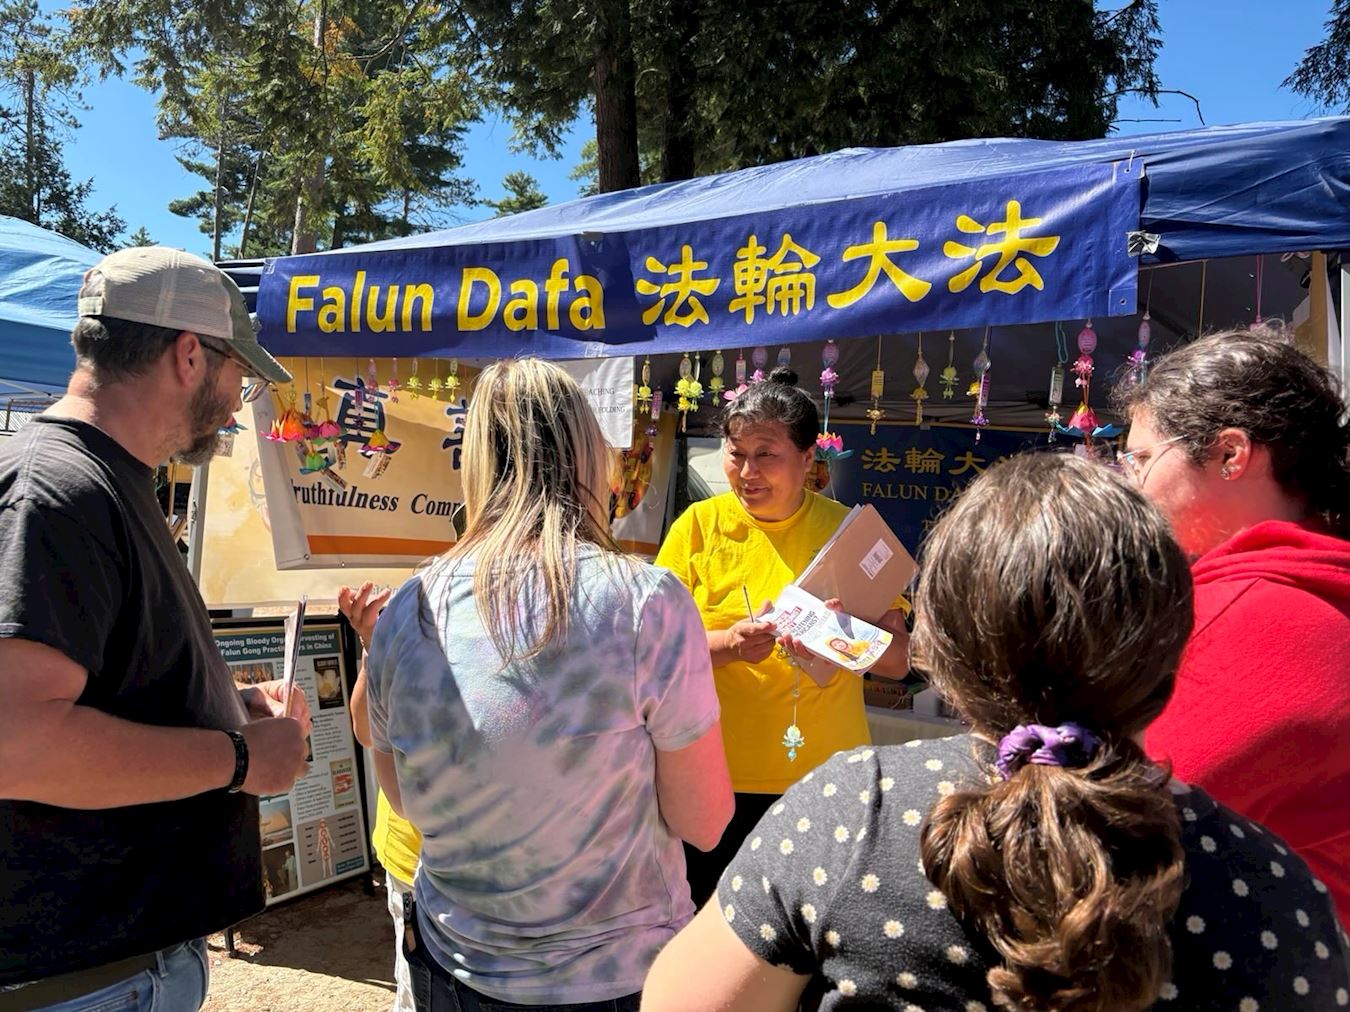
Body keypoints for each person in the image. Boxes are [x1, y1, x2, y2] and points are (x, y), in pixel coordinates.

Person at [644, 453, 1350, 1012]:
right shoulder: (1275, 889)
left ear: (947, 640)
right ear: (1171, 643)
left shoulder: (854, 811)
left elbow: (680, 1001)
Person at [359, 359, 733, 1010]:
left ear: (476, 462)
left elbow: (407, 800)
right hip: (615, 977)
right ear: (589, 454)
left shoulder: (408, 609)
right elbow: (703, 821)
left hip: (453, 967)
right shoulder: (646, 603)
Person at [0, 247, 310, 1011]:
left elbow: (106, 683)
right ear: (189, 354)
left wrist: (227, 707)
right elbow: (16, 744)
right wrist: (240, 758)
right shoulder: (58, 491)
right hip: (85, 983)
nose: (237, 402)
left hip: (115, 969)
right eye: (239, 374)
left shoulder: (99, 481)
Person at [1116, 330, 1350, 925]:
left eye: (1142, 459)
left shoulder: (1245, 613)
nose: (1133, 484)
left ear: (1230, 455)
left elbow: (1121, 824)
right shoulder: (1321, 579)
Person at [655, 368, 909, 906]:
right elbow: (654, 651)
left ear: (807, 457)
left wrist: (843, 639)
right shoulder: (697, 527)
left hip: (824, 781)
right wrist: (728, 645)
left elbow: (897, 663)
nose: (747, 472)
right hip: (713, 780)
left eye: (766, 454)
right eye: (735, 454)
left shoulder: (849, 533)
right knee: (712, 924)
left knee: (810, 931)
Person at [341, 581, 420, 1012]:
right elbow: (365, 729)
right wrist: (374, 643)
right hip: (412, 863)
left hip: (491, 866)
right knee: (416, 996)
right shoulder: (408, 608)